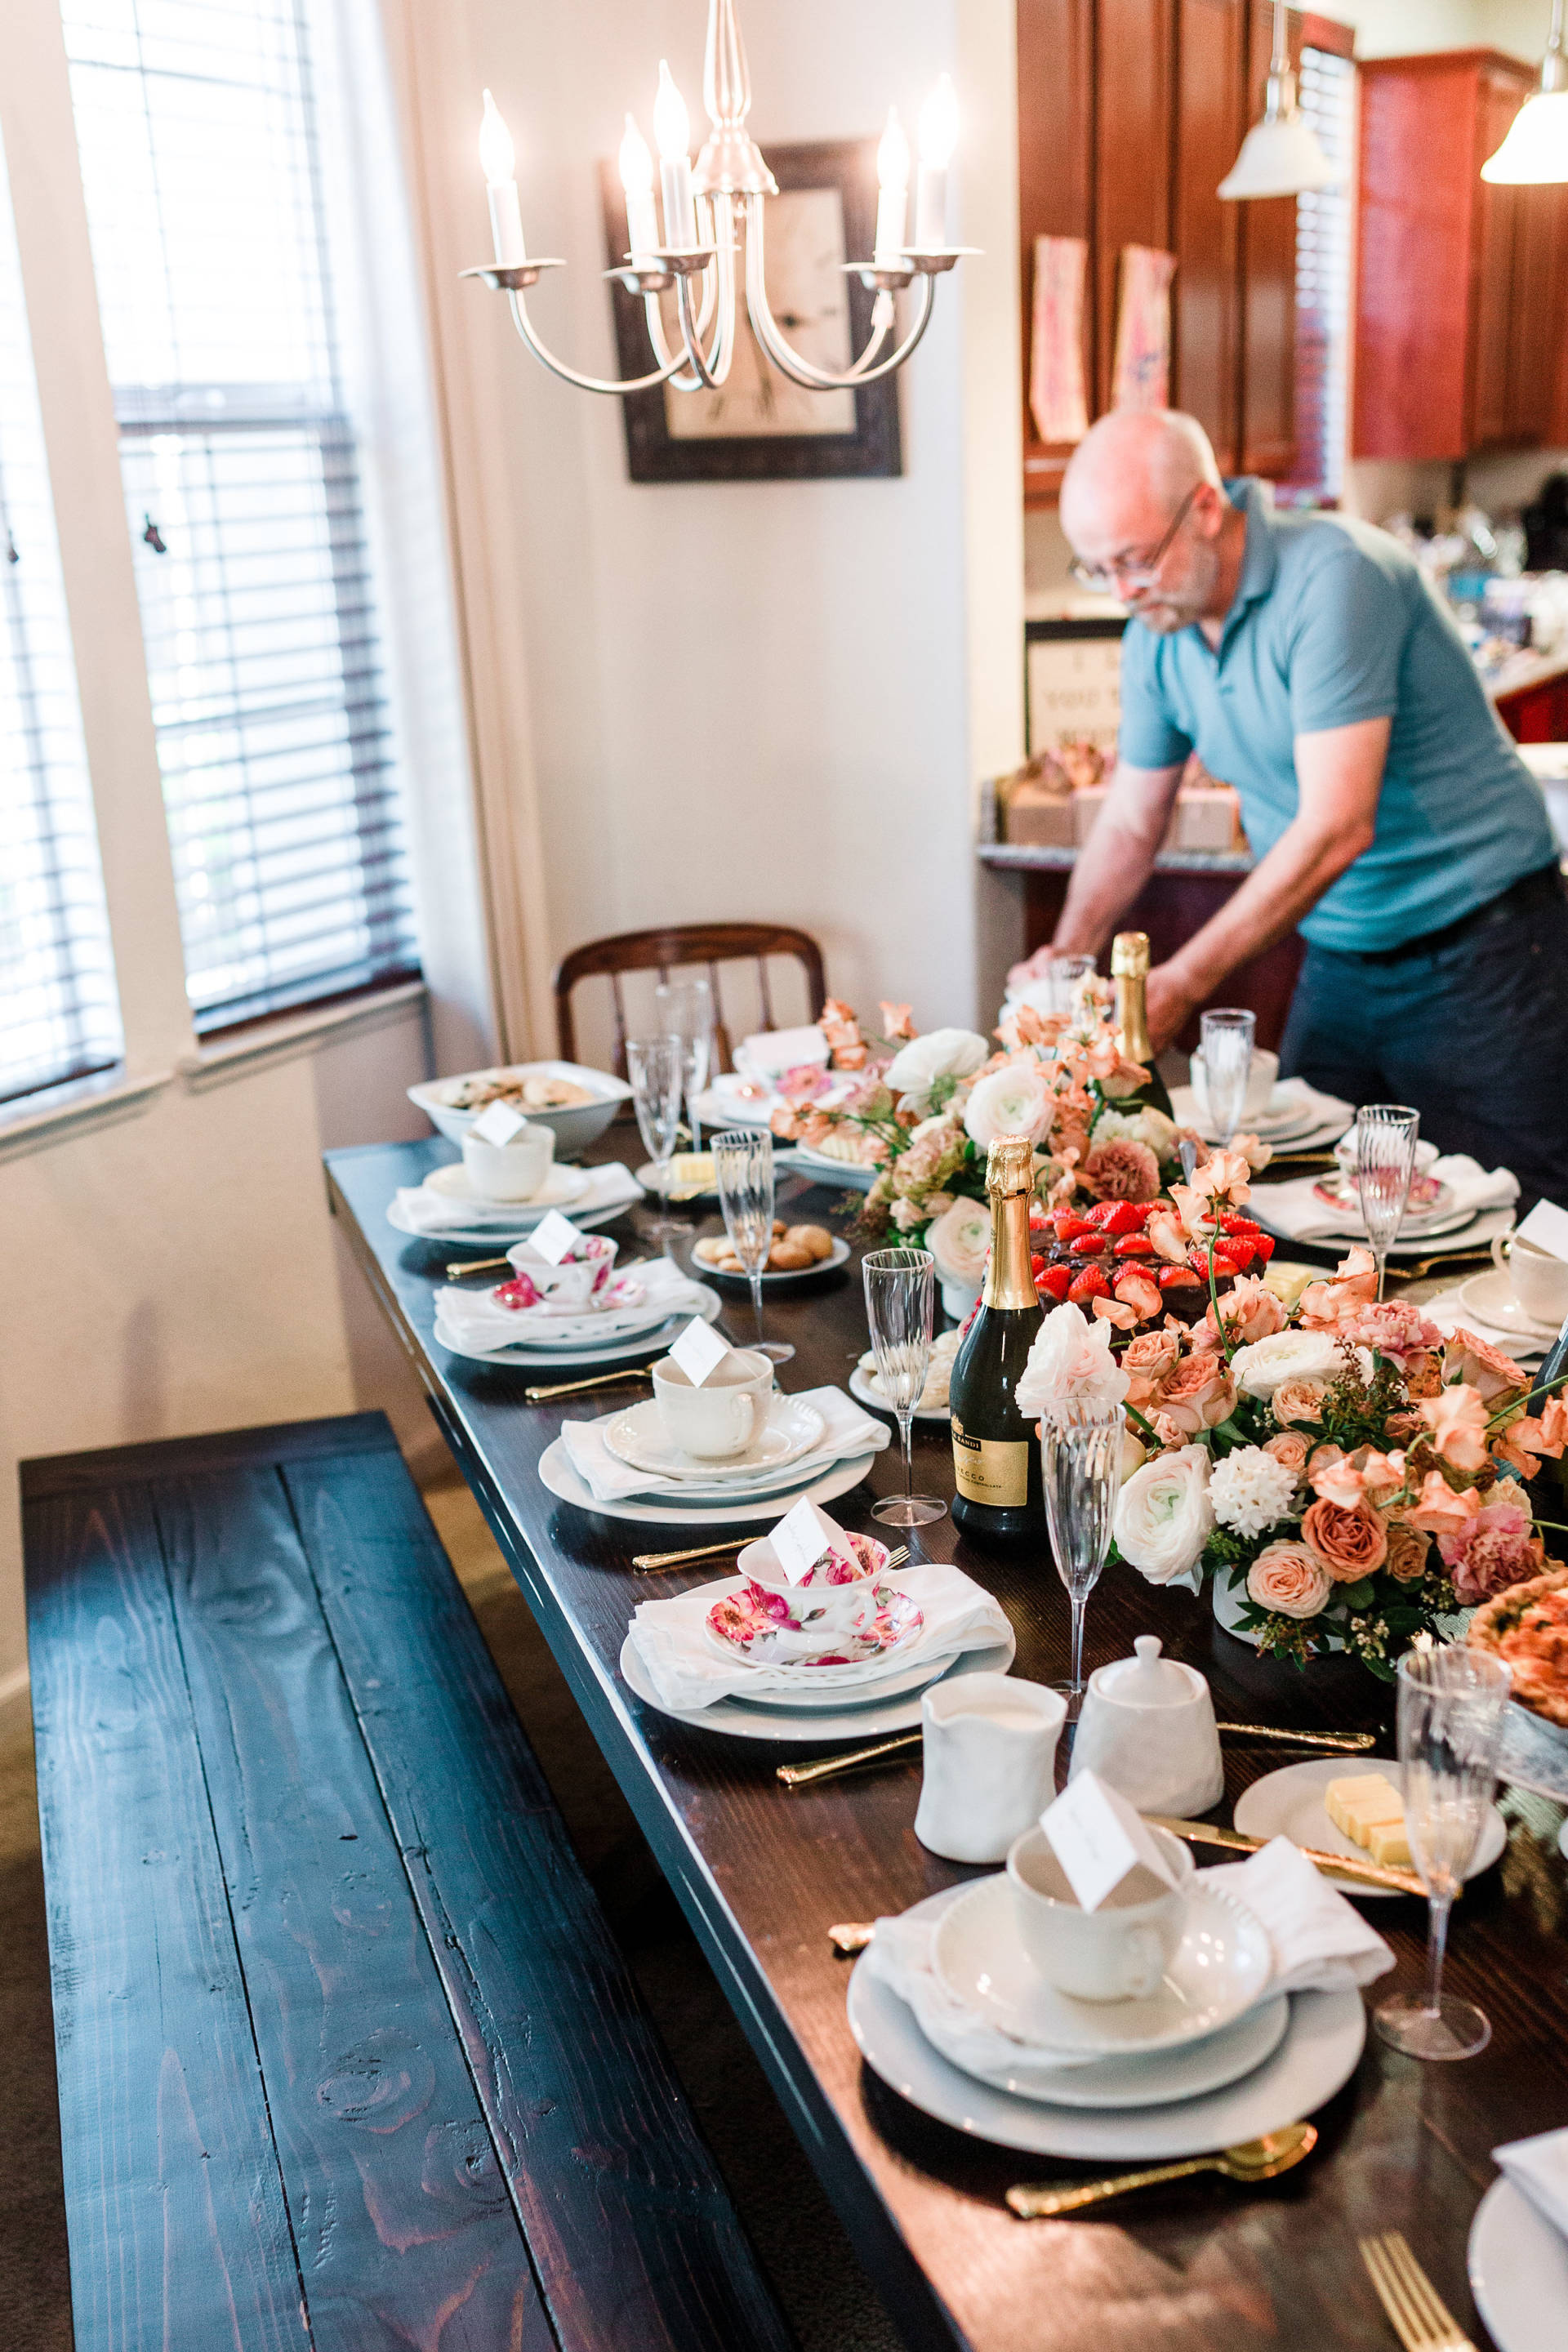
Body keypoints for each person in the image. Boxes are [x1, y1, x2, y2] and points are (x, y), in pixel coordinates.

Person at [1012, 407, 1568, 1208]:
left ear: (1206, 508)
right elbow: (1133, 820)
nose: (1124, 592)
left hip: (1486, 948)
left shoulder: (1337, 577)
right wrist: (1066, 957)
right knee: (1296, 1203)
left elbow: (1339, 825)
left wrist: (1182, 980)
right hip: (1343, 956)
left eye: (1137, 560)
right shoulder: (1158, 631)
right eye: (1099, 571)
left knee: (1523, 1216)